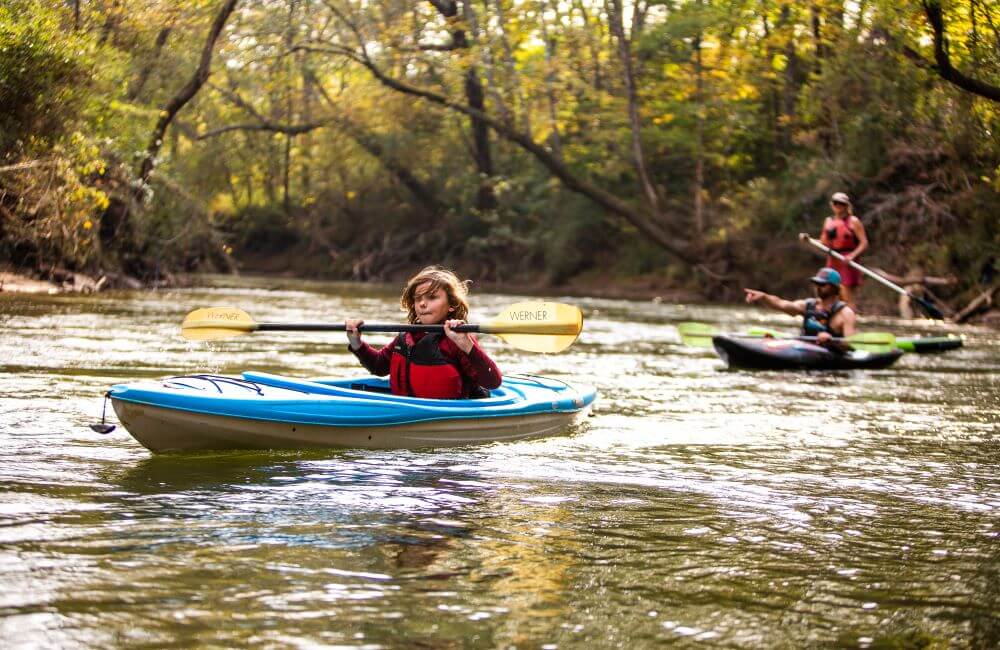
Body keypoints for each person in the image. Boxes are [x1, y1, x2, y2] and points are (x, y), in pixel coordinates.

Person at [345, 266, 502, 399]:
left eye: (432, 297)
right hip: (407, 409)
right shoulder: (405, 337)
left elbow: (492, 382)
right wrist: (356, 343)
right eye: (417, 298)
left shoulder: (458, 339)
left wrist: (467, 346)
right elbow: (378, 366)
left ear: (451, 305)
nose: (422, 303)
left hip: (449, 415)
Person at [743, 267, 858, 352]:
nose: (818, 287)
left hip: (830, 354)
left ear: (834, 288)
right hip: (805, 349)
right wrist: (764, 297)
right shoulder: (807, 305)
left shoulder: (845, 313)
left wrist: (831, 340)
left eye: (822, 284)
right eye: (816, 283)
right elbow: (782, 304)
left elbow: (851, 344)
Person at [800, 192, 868, 308]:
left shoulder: (854, 221)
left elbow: (864, 243)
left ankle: (850, 319)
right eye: (836, 203)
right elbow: (823, 243)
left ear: (847, 205)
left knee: (846, 294)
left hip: (847, 260)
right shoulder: (828, 221)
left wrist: (852, 255)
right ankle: (830, 320)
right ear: (832, 204)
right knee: (828, 290)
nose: (838, 206)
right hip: (833, 259)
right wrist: (809, 239)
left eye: (841, 203)